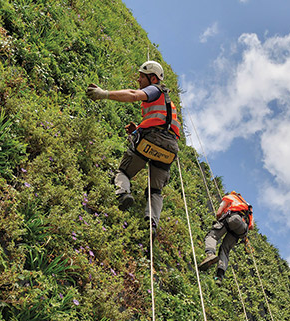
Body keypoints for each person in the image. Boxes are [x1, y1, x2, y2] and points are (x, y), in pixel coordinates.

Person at [86, 61, 181, 236]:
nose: (138, 80)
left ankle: (123, 193)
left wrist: (103, 94)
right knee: (156, 190)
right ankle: (152, 223)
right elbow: (162, 125)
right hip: (170, 148)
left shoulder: (155, 90)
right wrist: (137, 129)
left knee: (124, 171)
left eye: (141, 76)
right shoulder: (169, 105)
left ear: (152, 78)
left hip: (151, 139)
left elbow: (133, 95)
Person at [198, 191, 253, 284]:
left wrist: (219, 219)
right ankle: (219, 276)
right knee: (225, 250)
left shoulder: (230, 197)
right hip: (243, 230)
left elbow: (219, 212)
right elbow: (251, 226)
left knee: (212, 236)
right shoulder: (247, 207)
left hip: (234, 218)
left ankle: (210, 254)